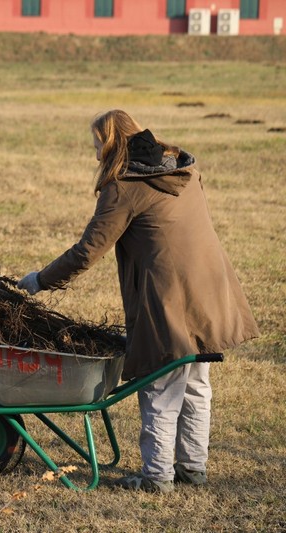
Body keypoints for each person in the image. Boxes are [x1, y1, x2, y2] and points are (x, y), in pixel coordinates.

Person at [17, 109, 258, 493]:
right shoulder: (181, 167)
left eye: (98, 143)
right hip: (210, 288)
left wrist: (39, 280)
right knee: (195, 381)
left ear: (112, 142)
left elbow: (87, 251)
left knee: (160, 385)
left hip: (170, 297)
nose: (95, 152)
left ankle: (157, 478)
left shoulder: (124, 186)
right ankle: (192, 469)